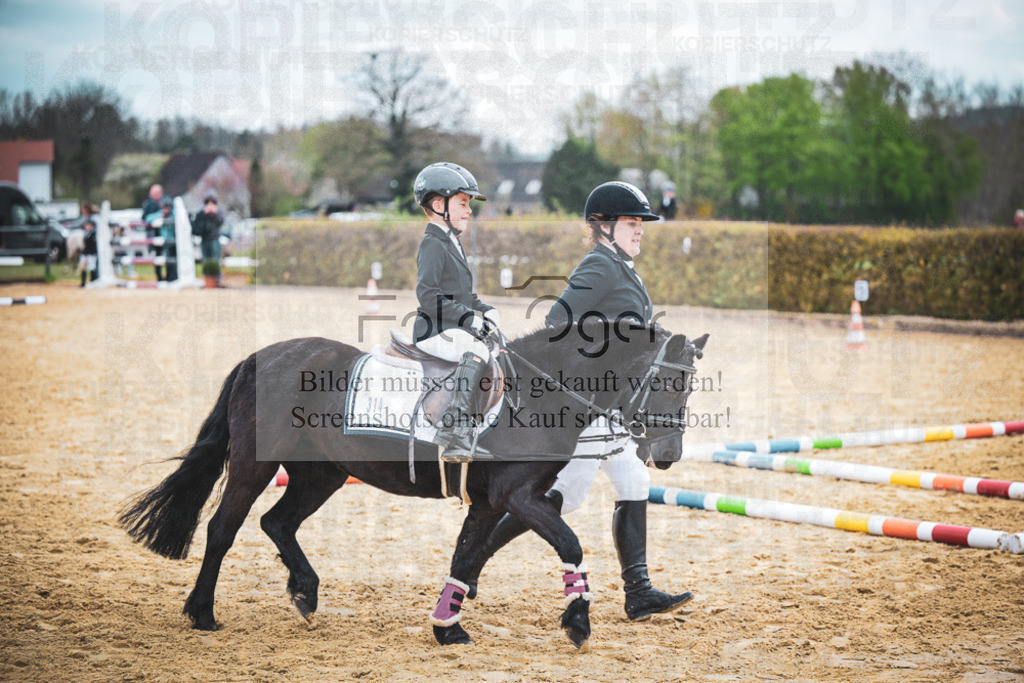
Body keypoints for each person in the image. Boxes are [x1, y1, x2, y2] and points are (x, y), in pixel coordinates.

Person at [466, 181, 694, 622]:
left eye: (640, 223)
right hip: (589, 403)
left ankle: (639, 591)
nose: (640, 230)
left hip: (611, 403)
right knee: (565, 497)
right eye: (631, 223)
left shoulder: (623, 267)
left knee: (629, 483)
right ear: (603, 226)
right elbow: (557, 321)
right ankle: (471, 561)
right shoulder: (599, 267)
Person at [411, 162, 499, 460]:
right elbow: (427, 295)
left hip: (451, 327)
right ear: (438, 205)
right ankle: (453, 430)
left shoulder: (453, 242)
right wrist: (468, 317)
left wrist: (486, 311)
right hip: (432, 330)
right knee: (476, 349)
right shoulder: (433, 243)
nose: (469, 210)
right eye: (463, 203)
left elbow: (466, 296)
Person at [192, 192, 225, 285]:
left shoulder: (219, 211)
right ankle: (207, 281)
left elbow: (220, 222)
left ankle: (216, 281)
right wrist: (204, 214)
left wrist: (214, 214)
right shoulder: (201, 213)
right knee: (205, 260)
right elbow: (196, 226)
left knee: (215, 260)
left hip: (215, 238)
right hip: (204, 239)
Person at [144, 196, 176, 282]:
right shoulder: (159, 214)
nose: (166, 209)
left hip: (171, 242)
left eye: (167, 206)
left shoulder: (174, 214)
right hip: (160, 242)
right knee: (158, 261)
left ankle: (171, 278)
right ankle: (159, 279)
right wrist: (160, 217)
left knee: (171, 262)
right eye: (164, 207)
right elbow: (148, 218)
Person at [79, 218, 98, 287]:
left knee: (92, 267)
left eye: (88, 225)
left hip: (91, 253)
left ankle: (92, 281)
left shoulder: (93, 234)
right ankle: (83, 282)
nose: (86, 226)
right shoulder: (86, 233)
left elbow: (92, 245)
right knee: (83, 267)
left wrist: (90, 252)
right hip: (85, 253)